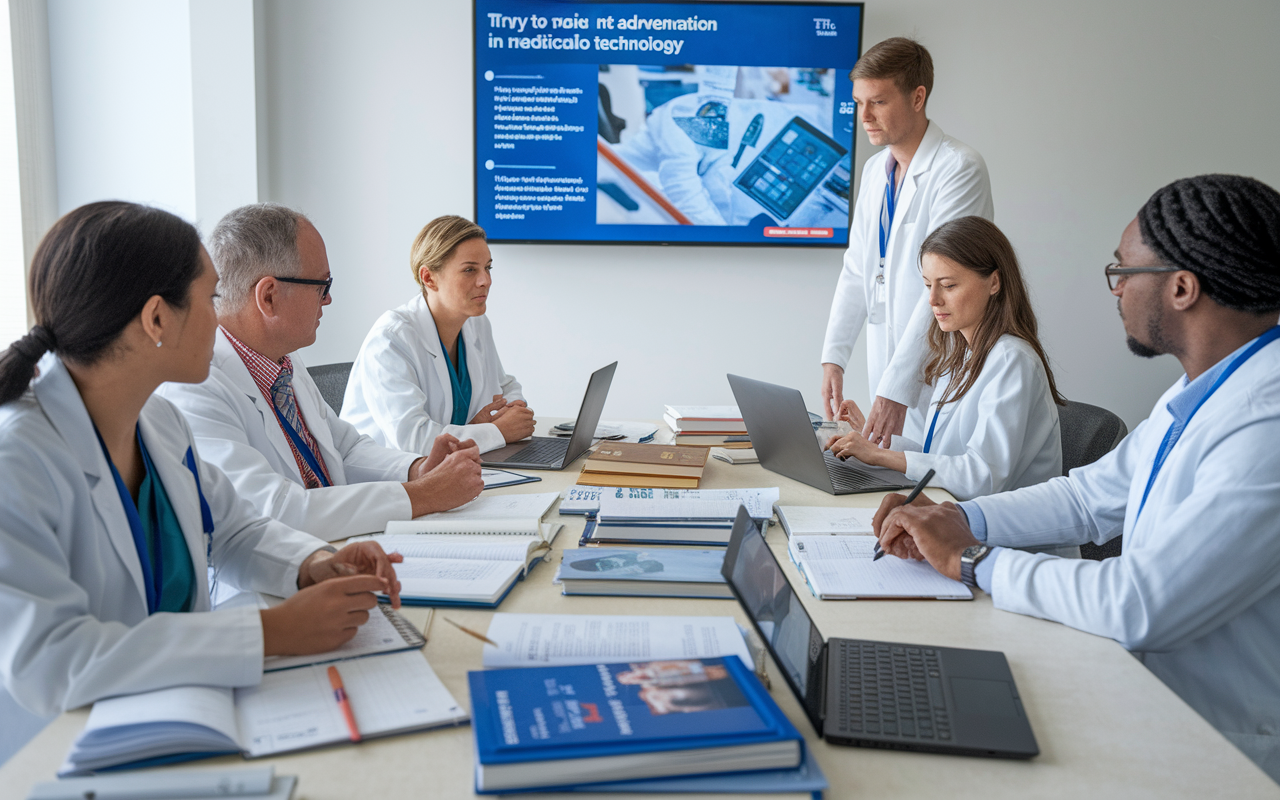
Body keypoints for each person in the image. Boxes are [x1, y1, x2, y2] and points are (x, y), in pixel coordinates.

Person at [873, 175, 1280, 781]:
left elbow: (1141, 602)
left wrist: (975, 557)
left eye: (1122, 273)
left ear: (1182, 287)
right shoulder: (1199, 389)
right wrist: (961, 517)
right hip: (1143, 696)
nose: (1114, 291)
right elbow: (1088, 494)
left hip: (1220, 747)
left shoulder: (1265, 423)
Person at [0, 202, 403, 717]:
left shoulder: (159, 423)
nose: (223, 315)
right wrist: (269, 632)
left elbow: (235, 531)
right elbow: (52, 660)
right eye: (211, 297)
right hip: (74, 743)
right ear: (156, 319)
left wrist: (315, 565)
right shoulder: (19, 459)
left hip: (186, 708)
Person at [159, 204, 483, 542]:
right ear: (268, 296)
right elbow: (274, 510)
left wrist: (417, 470)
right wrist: (424, 494)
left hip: (340, 546)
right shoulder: (195, 388)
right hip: (274, 581)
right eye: (322, 286)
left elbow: (344, 447)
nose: (328, 301)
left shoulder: (282, 359)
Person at [820, 37, 994, 449]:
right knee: (891, 478)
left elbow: (945, 286)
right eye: (859, 102)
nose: (864, 116)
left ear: (918, 97)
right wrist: (834, 355)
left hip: (941, 366)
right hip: (887, 358)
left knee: (939, 484)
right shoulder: (875, 169)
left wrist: (899, 386)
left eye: (877, 102)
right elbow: (858, 267)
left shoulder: (958, 168)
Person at [825, 216, 1065, 501]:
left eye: (948, 285)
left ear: (994, 282)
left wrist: (878, 455)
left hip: (1009, 535)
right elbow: (940, 458)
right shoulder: (959, 354)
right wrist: (871, 440)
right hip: (957, 517)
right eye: (928, 285)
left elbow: (981, 477)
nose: (933, 300)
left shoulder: (1013, 360)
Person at [341, 215, 534, 455]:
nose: (485, 280)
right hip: (389, 480)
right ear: (429, 278)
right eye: (469, 270)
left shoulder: (476, 323)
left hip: (453, 468)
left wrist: (512, 410)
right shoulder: (391, 339)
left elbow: (505, 385)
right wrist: (498, 431)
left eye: (487, 268)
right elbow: (414, 440)